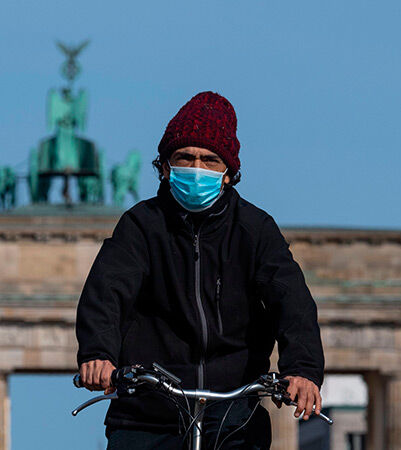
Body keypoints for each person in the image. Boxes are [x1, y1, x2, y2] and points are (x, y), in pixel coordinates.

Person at [75, 91, 325, 449]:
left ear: (228, 174)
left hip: (233, 415)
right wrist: (98, 353)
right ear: (164, 167)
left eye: (209, 160)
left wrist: (302, 369)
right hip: (148, 414)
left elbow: (292, 301)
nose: (196, 169)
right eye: (184, 158)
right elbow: (106, 292)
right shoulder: (141, 226)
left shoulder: (255, 230)